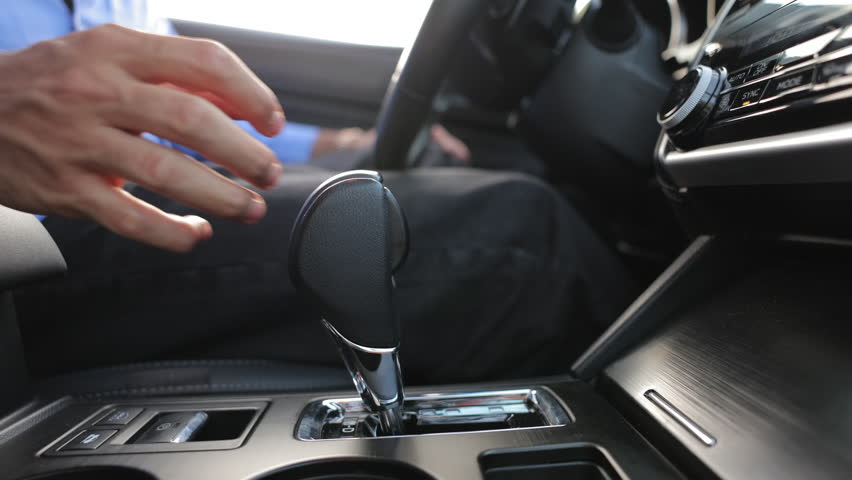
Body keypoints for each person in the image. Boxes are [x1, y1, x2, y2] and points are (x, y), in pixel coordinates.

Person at [5, 1, 636, 385]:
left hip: (148, 193)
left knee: (455, 166)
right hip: (32, 249)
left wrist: (332, 143)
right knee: (518, 239)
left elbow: (180, 120)